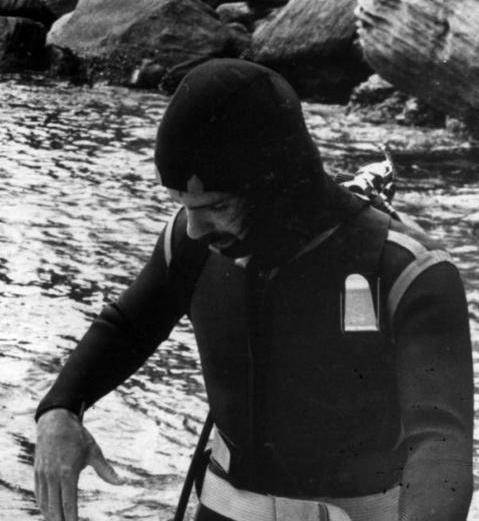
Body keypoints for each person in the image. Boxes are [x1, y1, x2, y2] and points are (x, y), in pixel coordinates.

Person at [32, 59, 473, 521]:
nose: (195, 226)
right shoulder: (188, 243)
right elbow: (127, 326)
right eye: (183, 205)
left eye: (216, 206)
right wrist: (61, 409)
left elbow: (441, 445)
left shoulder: (407, 269)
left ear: (277, 186)